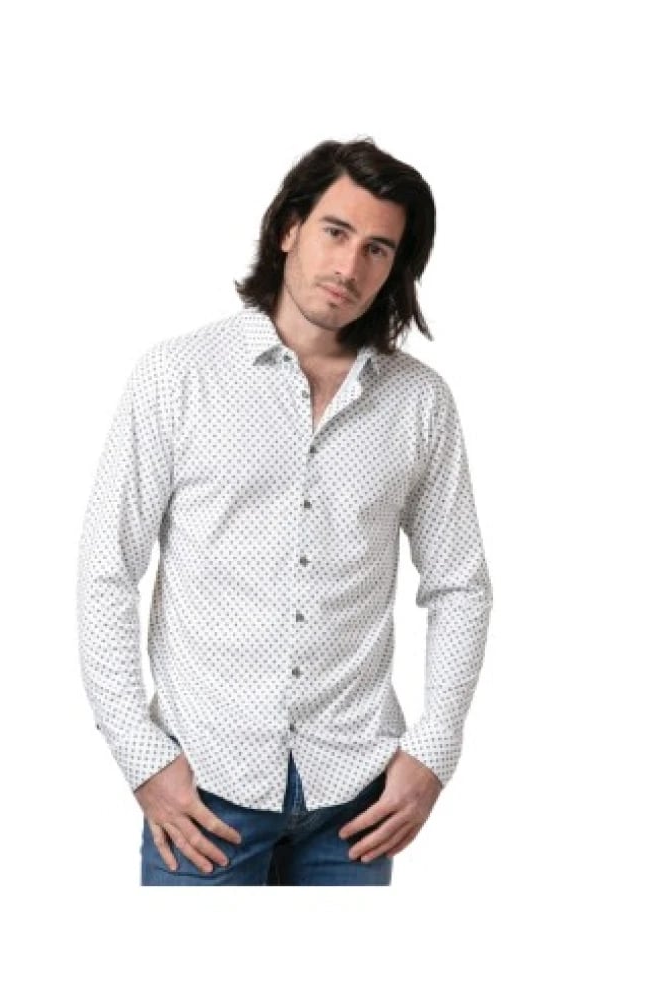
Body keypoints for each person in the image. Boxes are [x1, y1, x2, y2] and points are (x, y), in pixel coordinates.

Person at [76, 137, 493, 886]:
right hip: (204, 792)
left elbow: (460, 585)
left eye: (377, 249)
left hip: (357, 800)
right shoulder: (178, 377)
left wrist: (434, 752)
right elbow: (107, 570)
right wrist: (142, 758)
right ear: (289, 228)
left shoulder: (419, 402)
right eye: (336, 232)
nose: (349, 267)